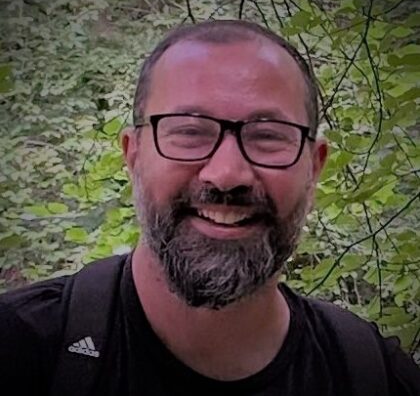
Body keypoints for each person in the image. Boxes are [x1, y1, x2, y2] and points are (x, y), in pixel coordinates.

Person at [1, 20, 419, 396]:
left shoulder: (373, 377)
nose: (226, 174)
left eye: (268, 136)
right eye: (189, 131)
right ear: (133, 156)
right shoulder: (22, 348)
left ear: (314, 167)